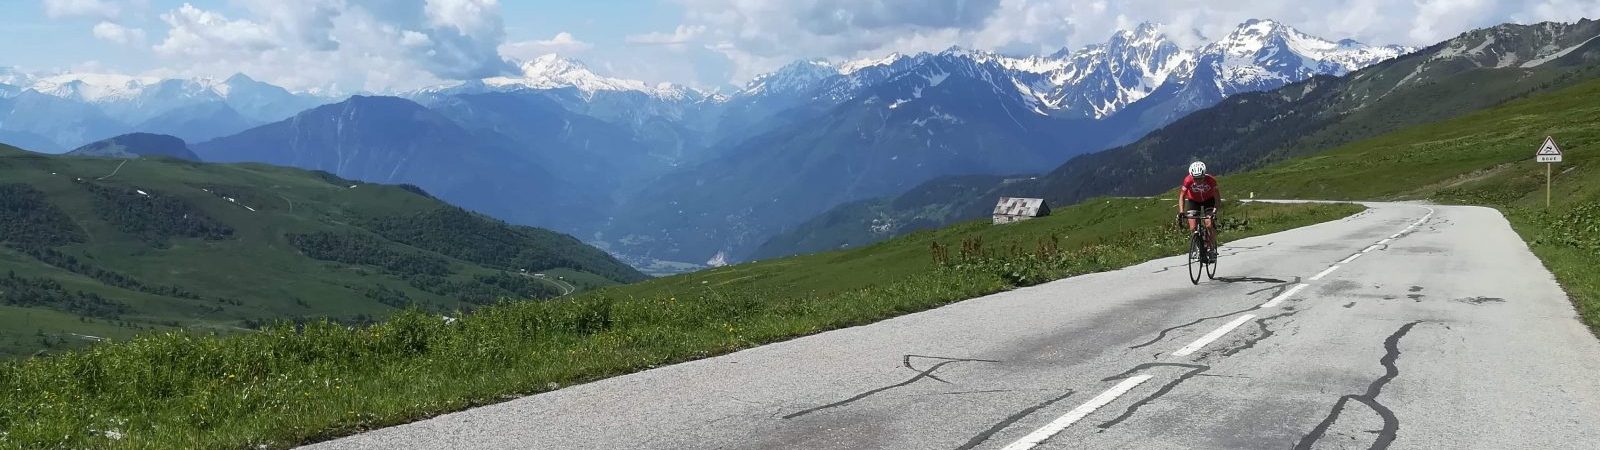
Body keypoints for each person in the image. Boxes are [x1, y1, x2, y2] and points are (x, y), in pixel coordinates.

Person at [1178, 161, 1221, 260]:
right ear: (1192, 176)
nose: (1198, 181)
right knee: (1193, 227)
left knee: (1209, 224)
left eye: (1200, 178)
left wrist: (1214, 211)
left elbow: (1217, 198)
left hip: (1209, 200)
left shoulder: (1211, 180)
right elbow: (1182, 196)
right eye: (1195, 178)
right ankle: (1198, 248)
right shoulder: (1188, 180)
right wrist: (1181, 212)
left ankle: (1212, 248)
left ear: (1204, 175)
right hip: (1193, 201)